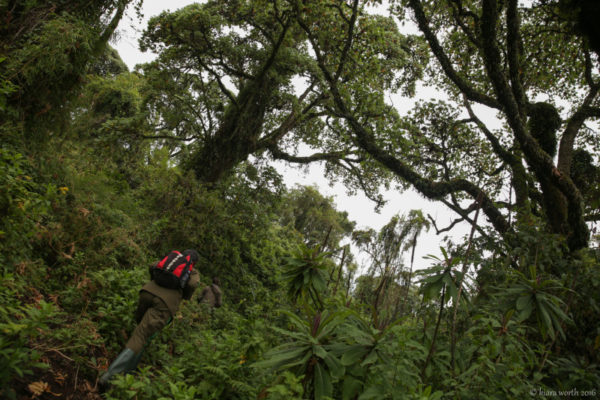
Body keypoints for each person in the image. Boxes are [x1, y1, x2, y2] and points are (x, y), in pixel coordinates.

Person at [99, 249, 200, 389]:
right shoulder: (191, 270)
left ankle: (129, 369)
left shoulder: (173, 259)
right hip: (164, 303)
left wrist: (155, 280)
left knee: (140, 331)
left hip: (147, 292)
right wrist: (184, 295)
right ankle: (108, 377)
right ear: (194, 262)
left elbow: (153, 265)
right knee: (141, 335)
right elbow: (193, 284)